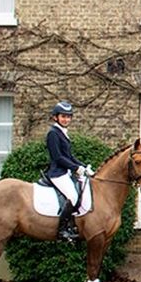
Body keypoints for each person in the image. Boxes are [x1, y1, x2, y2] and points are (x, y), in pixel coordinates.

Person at [45, 100, 92, 242]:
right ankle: (62, 230)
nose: (66, 119)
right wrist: (75, 168)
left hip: (65, 172)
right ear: (56, 117)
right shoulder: (53, 133)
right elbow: (58, 157)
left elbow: (69, 156)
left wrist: (84, 167)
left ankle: (72, 225)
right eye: (63, 116)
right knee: (73, 196)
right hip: (57, 173)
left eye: (68, 117)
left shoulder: (62, 133)